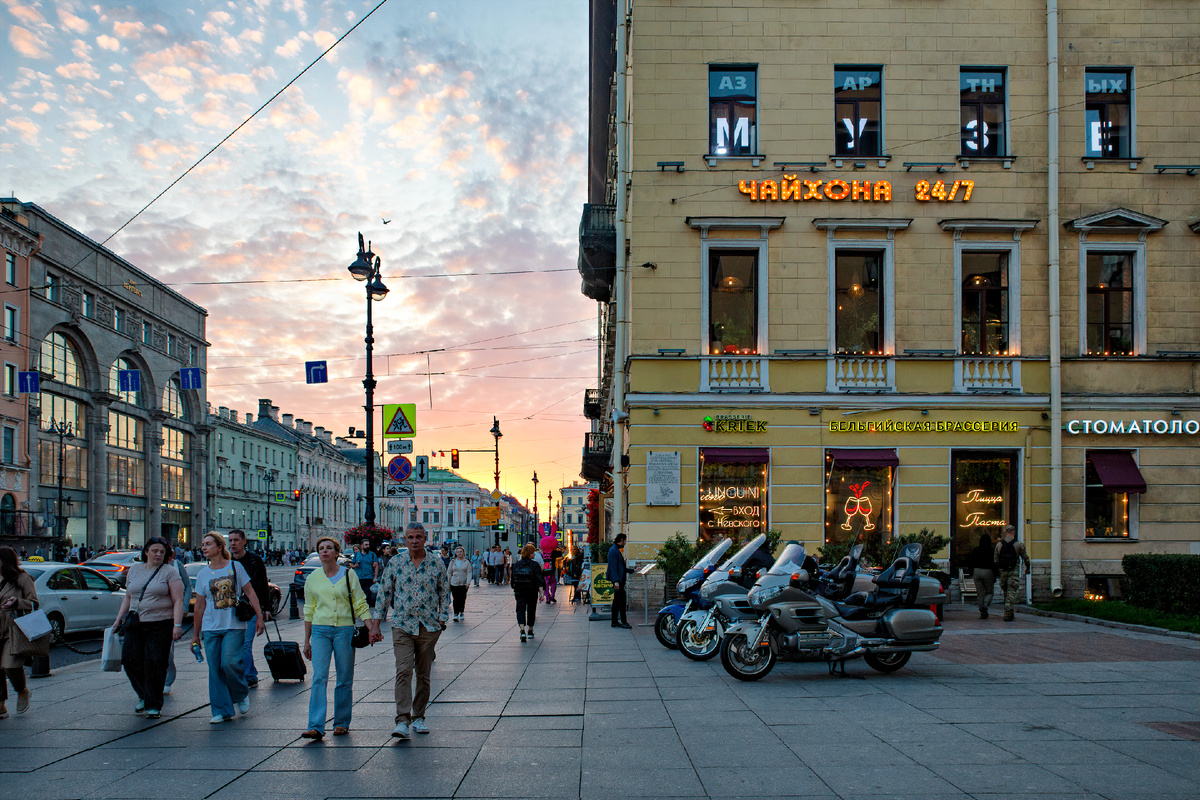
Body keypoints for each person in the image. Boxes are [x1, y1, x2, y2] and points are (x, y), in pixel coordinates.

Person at [371, 522, 449, 740]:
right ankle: (402, 720)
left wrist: (442, 621)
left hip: (428, 627)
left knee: (423, 674)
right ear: (404, 540)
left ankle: (419, 716)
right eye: (410, 537)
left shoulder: (436, 563)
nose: (414, 540)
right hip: (402, 626)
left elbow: (444, 592)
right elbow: (384, 594)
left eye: (418, 537)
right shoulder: (396, 563)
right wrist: (376, 624)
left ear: (425, 539)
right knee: (404, 670)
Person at [301, 537, 375, 740]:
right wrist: (306, 641)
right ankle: (315, 725)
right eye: (321, 548)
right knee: (319, 677)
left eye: (329, 548)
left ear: (336, 552)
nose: (324, 551)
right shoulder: (313, 578)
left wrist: (371, 627)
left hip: (344, 630)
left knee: (344, 678)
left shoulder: (349, 575)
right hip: (320, 631)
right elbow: (309, 610)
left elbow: (360, 603)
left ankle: (341, 722)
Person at [191, 532, 265, 724]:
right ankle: (221, 710)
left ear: (219, 547)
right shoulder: (203, 574)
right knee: (214, 668)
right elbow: (199, 606)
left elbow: (250, 592)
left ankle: (240, 694)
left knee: (230, 663)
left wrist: (259, 617)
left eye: (208, 544)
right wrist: (195, 635)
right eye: (203, 544)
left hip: (233, 625)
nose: (204, 547)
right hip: (210, 627)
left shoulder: (235, 567)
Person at [112, 537, 184, 719]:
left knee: (155, 662)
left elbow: (178, 600)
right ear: (146, 552)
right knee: (129, 660)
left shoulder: (169, 572)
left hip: (161, 624)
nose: (158, 554)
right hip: (135, 622)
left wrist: (177, 625)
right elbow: (128, 597)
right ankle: (144, 694)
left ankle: (153, 705)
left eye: (162, 551)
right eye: (154, 551)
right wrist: (118, 619)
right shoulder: (135, 570)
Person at [228, 530, 271, 688]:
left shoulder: (255, 559)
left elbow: (262, 584)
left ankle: (248, 677)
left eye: (236, 540)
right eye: (231, 540)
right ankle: (251, 673)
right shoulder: (227, 560)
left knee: (245, 644)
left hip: (250, 608)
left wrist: (265, 609)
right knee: (238, 645)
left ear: (244, 541)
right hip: (232, 608)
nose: (233, 543)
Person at [0, 546, 37, 717]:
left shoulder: (22, 578)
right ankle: (1, 704)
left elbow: (34, 603)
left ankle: (22, 690)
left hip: (12, 631)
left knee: (9, 665)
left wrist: (16, 602)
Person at [994, 525, 1032, 622]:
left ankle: (1010, 613)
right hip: (1013, 570)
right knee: (1011, 591)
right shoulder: (1018, 544)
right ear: (1014, 532)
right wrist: (1027, 568)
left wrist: (1000, 569)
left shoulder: (999, 545)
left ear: (1005, 532)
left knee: (1006, 591)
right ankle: (1007, 611)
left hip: (1003, 571)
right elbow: (1026, 558)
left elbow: (996, 560)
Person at [510, 544, 542, 642]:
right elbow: (539, 580)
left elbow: (512, 581)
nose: (534, 554)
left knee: (520, 609)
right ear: (530, 553)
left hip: (519, 590)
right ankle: (530, 630)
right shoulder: (535, 565)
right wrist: (542, 593)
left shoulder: (516, 565)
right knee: (531, 609)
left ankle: (522, 629)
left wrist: (515, 587)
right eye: (533, 552)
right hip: (532, 591)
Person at [967, 533, 998, 619]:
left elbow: (971, 562)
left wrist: (971, 573)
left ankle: (981, 610)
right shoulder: (992, 550)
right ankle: (985, 604)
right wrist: (995, 574)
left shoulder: (976, 550)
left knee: (980, 593)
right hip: (988, 572)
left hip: (976, 571)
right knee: (989, 591)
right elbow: (994, 563)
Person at [607, 533, 630, 628]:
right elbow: (613, 567)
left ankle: (615, 621)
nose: (625, 542)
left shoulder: (615, 550)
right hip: (618, 581)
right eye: (625, 540)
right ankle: (623, 622)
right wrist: (616, 581)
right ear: (621, 540)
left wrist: (632, 570)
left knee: (616, 602)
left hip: (619, 580)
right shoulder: (613, 551)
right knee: (621, 602)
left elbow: (620, 567)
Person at [350, 539, 380, 606]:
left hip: (369, 577)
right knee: (359, 594)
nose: (368, 546)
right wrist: (355, 566)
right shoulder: (357, 555)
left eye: (368, 544)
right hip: (359, 577)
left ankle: (366, 608)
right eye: (366, 545)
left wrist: (375, 577)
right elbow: (351, 564)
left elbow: (376, 566)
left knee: (367, 595)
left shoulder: (372, 555)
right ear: (361, 546)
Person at [447, 547, 471, 622]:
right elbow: (449, 572)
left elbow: (469, 573)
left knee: (462, 598)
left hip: (463, 584)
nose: (459, 553)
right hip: (454, 583)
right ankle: (456, 614)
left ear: (464, 552)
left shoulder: (466, 562)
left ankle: (461, 612)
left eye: (461, 551)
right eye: (458, 552)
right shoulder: (453, 562)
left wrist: (468, 582)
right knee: (455, 599)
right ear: (455, 553)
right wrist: (449, 581)